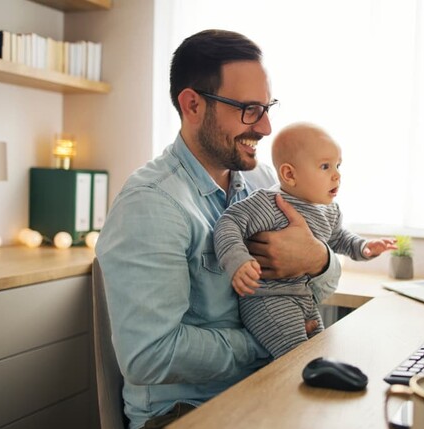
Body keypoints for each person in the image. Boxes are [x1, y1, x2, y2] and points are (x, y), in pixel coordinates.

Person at [95, 30, 342, 429]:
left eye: (266, 108)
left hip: (267, 389)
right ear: (192, 104)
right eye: (248, 109)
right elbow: (150, 355)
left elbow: (319, 281)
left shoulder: (267, 183)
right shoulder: (151, 205)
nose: (265, 128)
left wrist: (319, 260)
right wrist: (271, 337)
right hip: (185, 413)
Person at [214, 122, 396, 358]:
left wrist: (364, 247)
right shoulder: (269, 203)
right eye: (325, 166)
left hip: (305, 299)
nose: (337, 174)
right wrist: (237, 260)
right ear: (289, 174)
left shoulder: (330, 210)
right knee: (298, 359)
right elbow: (228, 223)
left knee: (319, 351)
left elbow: (339, 238)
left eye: (338, 165)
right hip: (268, 300)